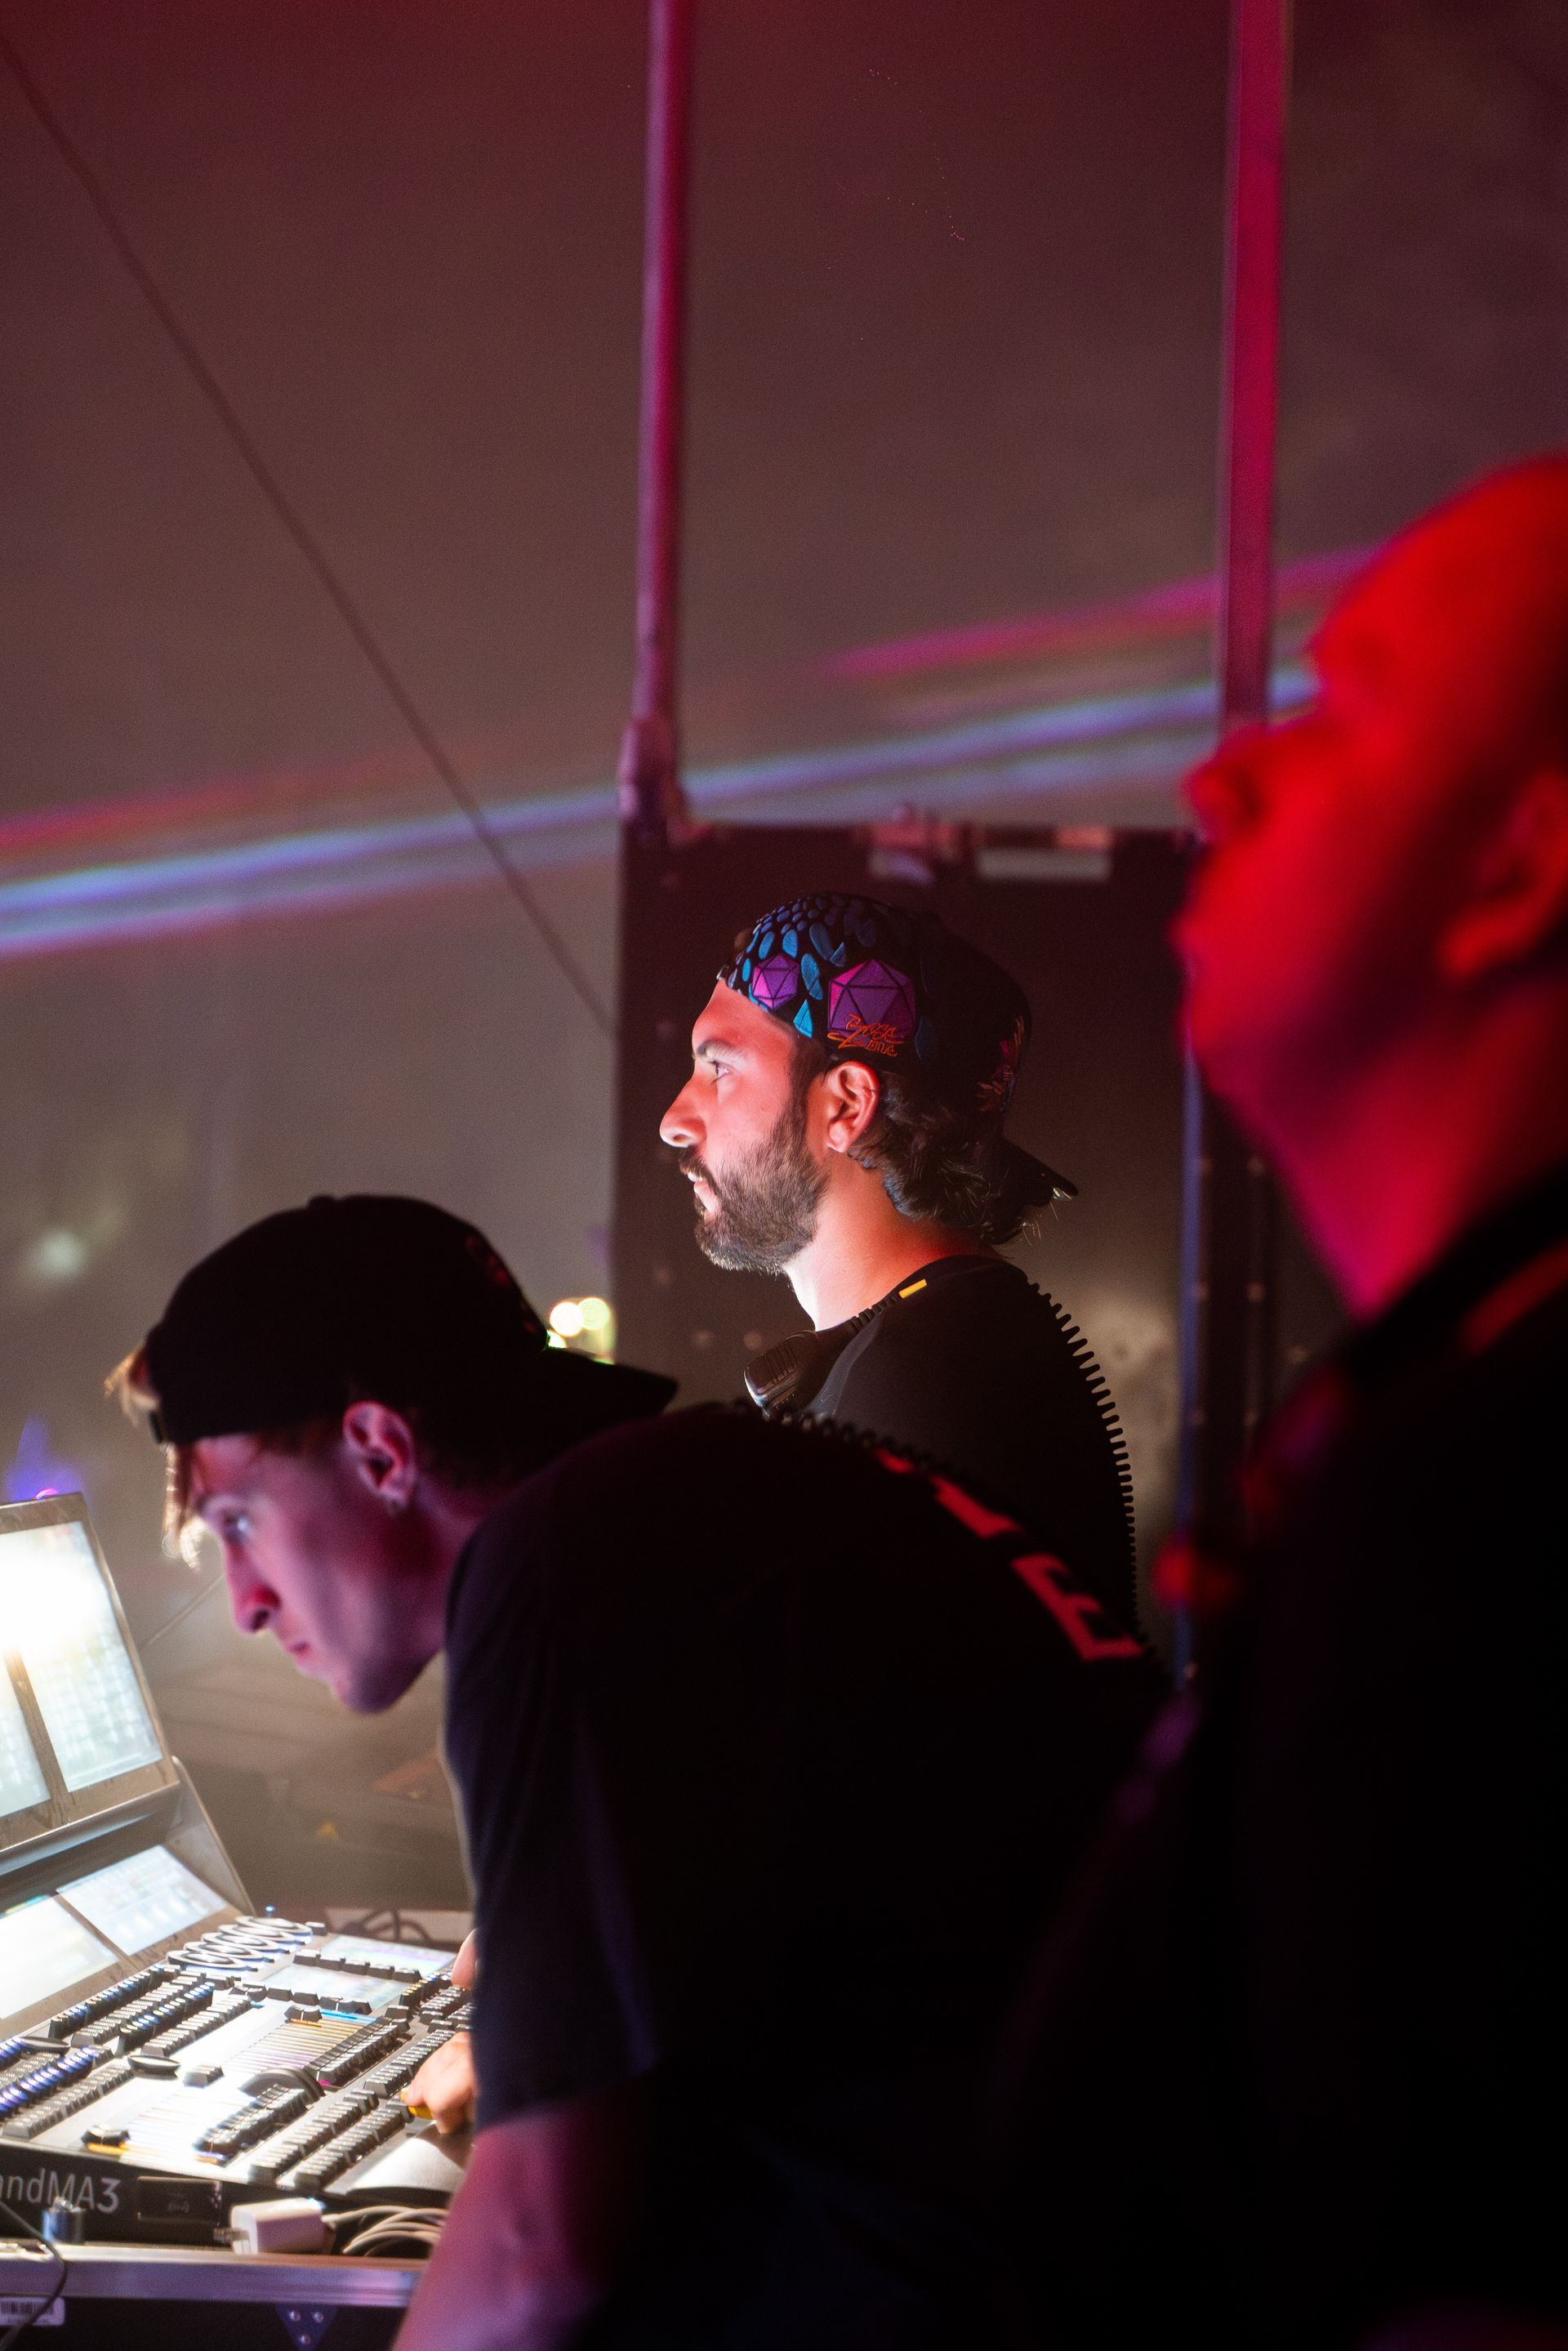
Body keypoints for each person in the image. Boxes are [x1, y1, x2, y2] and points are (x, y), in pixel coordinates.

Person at [113, 1192, 1160, 2350]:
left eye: (241, 1521)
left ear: (380, 1447)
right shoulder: (688, 1503)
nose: (247, 1602)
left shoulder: (561, 1566)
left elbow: (536, 2247)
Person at [1000, 457, 1568, 2349]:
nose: (1215, 782)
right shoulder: (1439, 1428)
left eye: (1338, 710)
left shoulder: (1498, 1508)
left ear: (1516, 870)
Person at [659, 892, 1137, 1622]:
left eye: (719, 1068)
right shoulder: (937, 1346)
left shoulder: (928, 1379)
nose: (674, 1121)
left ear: (848, 1105)